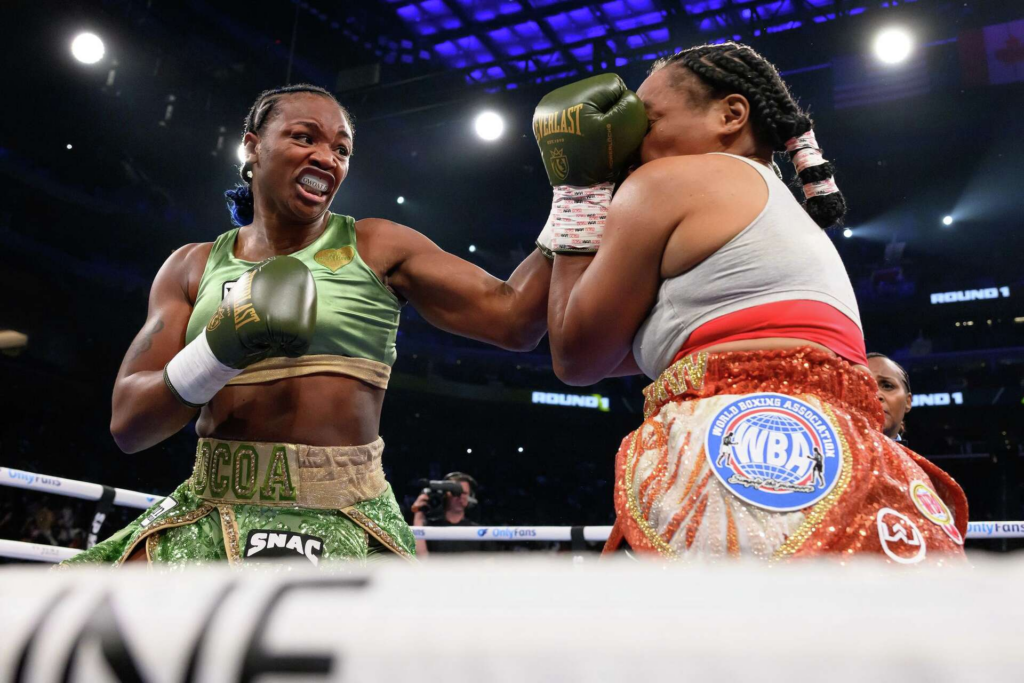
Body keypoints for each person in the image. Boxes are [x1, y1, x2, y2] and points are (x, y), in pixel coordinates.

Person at [63, 84, 552, 566]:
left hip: (344, 511)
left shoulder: (376, 246)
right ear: (253, 146)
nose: (327, 157)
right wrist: (219, 348)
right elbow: (128, 424)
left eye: (341, 148)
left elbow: (515, 320)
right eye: (305, 137)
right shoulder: (191, 266)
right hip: (207, 506)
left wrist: (577, 195)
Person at [541, 44, 967, 561]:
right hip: (855, 455)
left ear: (730, 114)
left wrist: (578, 191)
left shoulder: (669, 181)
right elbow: (634, 348)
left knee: (699, 638)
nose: (632, 144)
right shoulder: (783, 212)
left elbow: (577, 356)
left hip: (740, 449)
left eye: (648, 122)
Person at [410, 472, 486, 556]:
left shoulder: (479, 532)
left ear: (470, 496)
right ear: (445, 494)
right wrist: (418, 515)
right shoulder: (429, 528)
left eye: (464, 493)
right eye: (455, 492)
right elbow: (422, 559)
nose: (459, 497)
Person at [867, 352, 912, 441]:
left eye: (887, 386)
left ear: (908, 402)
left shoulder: (912, 456)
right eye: (865, 385)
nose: (876, 395)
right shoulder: (836, 453)